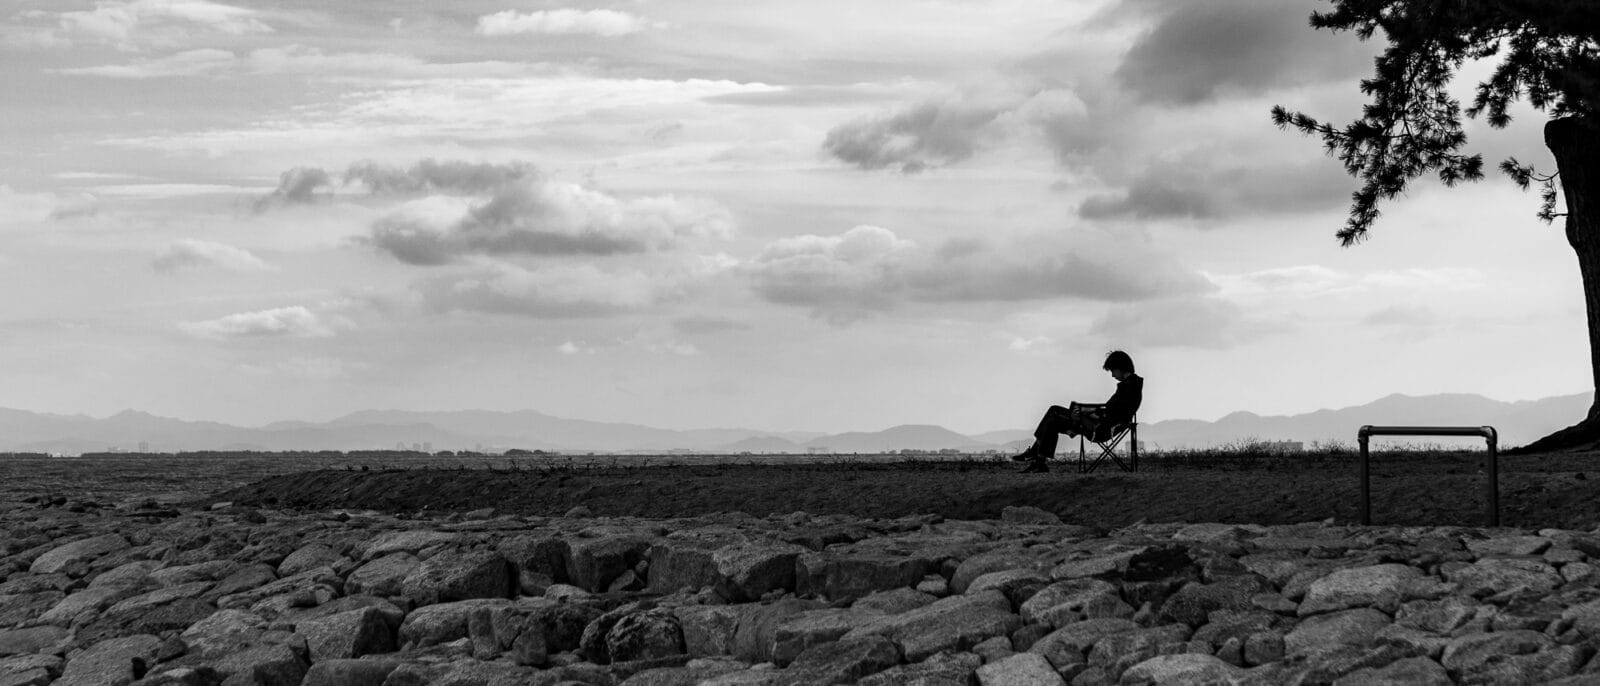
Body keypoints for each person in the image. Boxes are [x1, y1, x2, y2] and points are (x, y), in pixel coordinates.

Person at [1011, 350, 1143, 473]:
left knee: (1054, 412)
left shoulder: (1129, 387)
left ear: (1120, 367)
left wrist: (1085, 412)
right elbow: (1112, 410)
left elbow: (1111, 412)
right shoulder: (1131, 385)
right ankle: (1039, 461)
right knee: (1052, 420)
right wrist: (1086, 411)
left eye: (1113, 371)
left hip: (1098, 428)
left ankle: (1036, 455)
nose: (1113, 375)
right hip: (1099, 423)